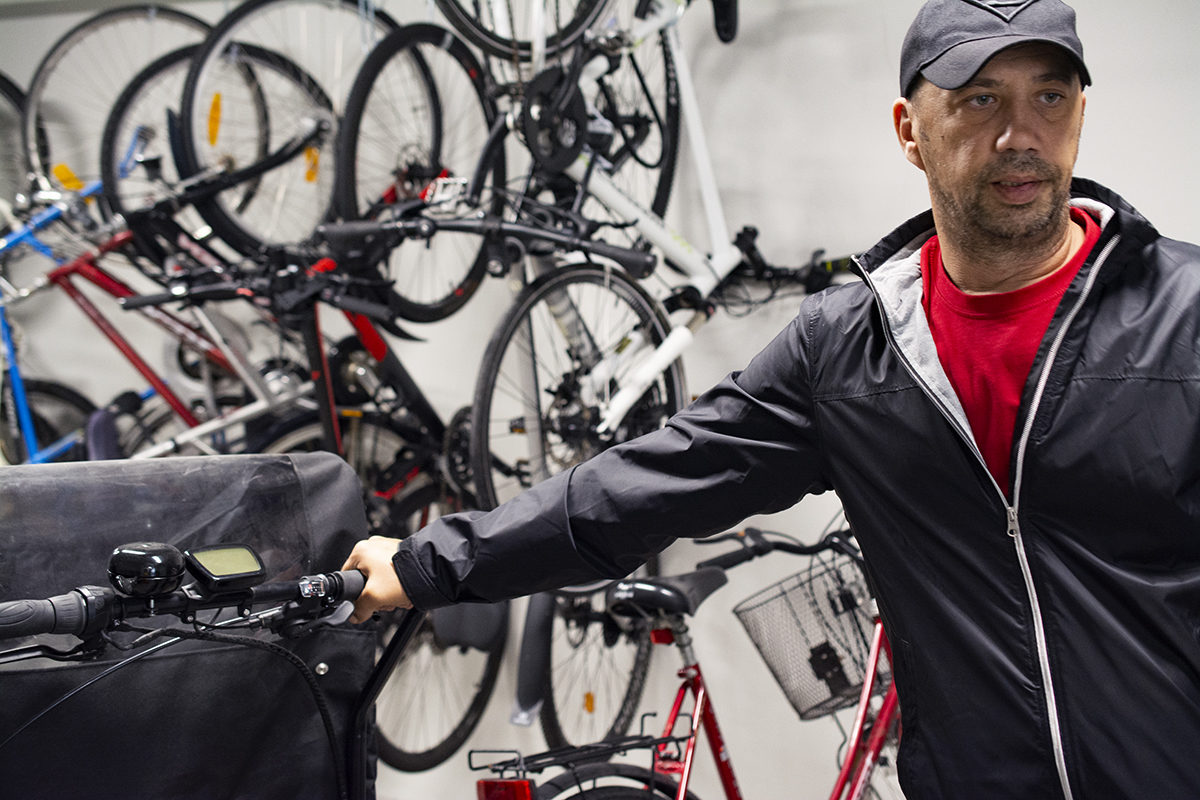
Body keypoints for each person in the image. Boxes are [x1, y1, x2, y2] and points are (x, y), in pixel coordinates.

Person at [344, 0, 1200, 796]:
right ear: (910, 131)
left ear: (1081, 113)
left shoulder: (1183, 316)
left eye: (1051, 96)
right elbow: (646, 483)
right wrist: (424, 567)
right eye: (980, 100)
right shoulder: (847, 349)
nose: (1022, 134)